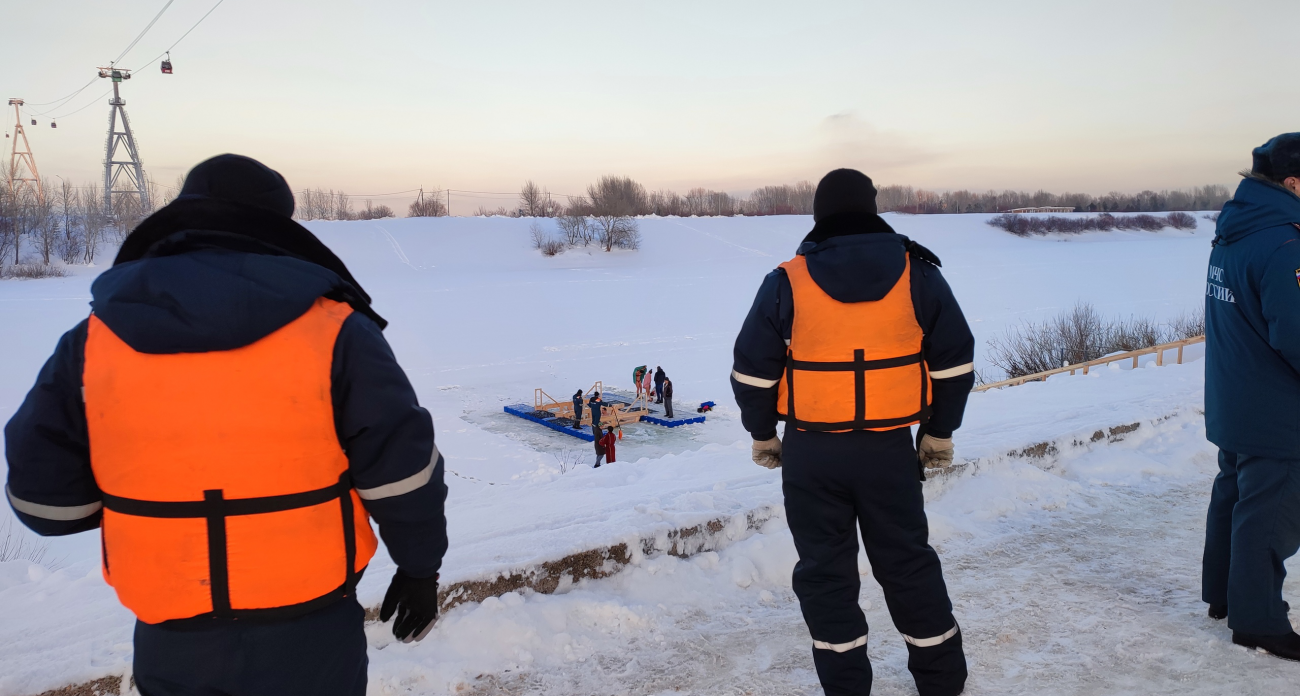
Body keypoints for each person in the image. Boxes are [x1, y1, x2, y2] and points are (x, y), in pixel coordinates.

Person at [3, 154, 448, 696]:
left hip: (173, 637)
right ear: (279, 228)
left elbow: (45, 505)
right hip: (312, 634)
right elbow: (402, 474)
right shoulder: (336, 330)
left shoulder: (95, 339)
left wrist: (153, 507)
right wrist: (420, 568)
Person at [730, 168, 975, 696]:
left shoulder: (786, 280)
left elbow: (753, 370)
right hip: (888, 451)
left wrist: (762, 434)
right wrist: (938, 432)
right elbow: (954, 363)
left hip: (812, 454)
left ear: (820, 216)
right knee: (908, 565)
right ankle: (942, 683)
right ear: (872, 209)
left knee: (825, 574)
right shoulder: (918, 273)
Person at [1202, 133, 1300, 661]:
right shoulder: (1287, 243)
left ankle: (1224, 596)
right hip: (1277, 411)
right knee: (1271, 513)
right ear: (1292, 182)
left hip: (1236, 396)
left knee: (1235, 498)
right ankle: (1257, 620)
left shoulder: (1238, 229)